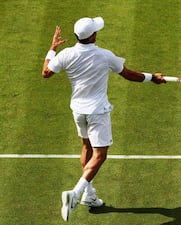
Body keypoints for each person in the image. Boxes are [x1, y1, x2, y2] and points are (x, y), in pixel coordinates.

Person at [41, 17, 165, 222]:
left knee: (86, 146)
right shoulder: (104, 56)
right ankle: (75, 193)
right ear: (92, 36)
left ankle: (89, 196)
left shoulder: (66, 54)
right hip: (97, 112)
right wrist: (153, 78)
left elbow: (46, 72)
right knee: (100, 155)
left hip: (78, 111)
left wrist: (52, 49)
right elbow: (129, 75)